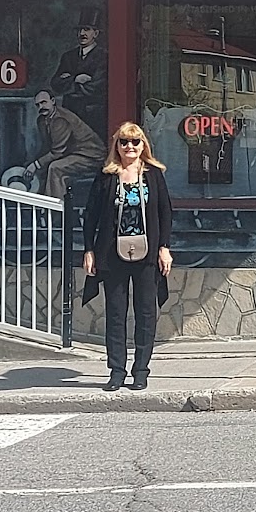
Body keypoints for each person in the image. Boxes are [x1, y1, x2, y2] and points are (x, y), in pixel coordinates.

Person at [81, 123, 173, 391]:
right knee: (116, 313)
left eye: (135, 142)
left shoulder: (153, 175)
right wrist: (89, 250)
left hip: (147, 253)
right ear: (116, 146)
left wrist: (164, 247)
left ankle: (141, 370)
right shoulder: (106, 176)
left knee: (146, 313)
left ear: (143, 145)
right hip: (112, 253)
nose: (129, 147)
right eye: (123, 142)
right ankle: (117, 370)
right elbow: (91, 214)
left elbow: (165, 213)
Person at [26, 89, 107, 199]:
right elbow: (47, 147)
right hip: (72, 154)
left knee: (55, 168)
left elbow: (57, 152)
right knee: (45, 168)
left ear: (53, 101)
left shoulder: (61, 119)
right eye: (38, 105)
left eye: (44, 102)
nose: (41, 107)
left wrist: (35, 165)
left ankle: (56, 208)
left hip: (90, 156)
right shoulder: (42, 120)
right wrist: (33, 163)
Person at [51, 8, 109, 138]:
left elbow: (97, 87)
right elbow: (55, 84)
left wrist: (68, 82)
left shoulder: (104, 57)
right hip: (70, 114)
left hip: (93, 117)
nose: (82, 33)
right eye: (79, 30)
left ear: (96, 33)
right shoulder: (68, 57)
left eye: (87, 29)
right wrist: (76, 79)